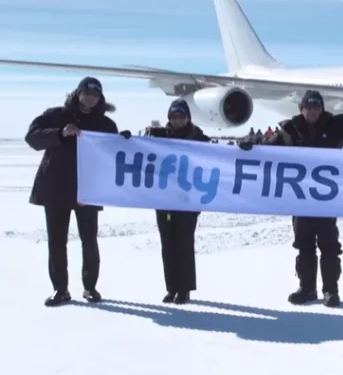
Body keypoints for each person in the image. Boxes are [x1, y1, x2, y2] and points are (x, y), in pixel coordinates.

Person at [240, 77, 343, 307]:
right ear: (301, 109)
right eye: (308, 107)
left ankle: (330, 291)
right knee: (304, 246)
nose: (312, 111)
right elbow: (267, 150)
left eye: (316, 107)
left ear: (321, 109)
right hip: (300, 200)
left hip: (326, 200)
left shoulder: (334, 128)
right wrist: (251, 146)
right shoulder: (289, 131)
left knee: (329, 246)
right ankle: (307, 289)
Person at [25, 76, 120, 306]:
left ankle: (90, 287)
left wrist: (124, 141)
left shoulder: (106, 125)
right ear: (78, 94)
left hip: (88, 190)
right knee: (57, 241)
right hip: (56, 187)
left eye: (95, 94)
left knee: (89, 240)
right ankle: (60, 289)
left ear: (100, 98)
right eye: (87, 93)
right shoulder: (55, 115)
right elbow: (32, 138)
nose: (91, 97)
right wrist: (59, 133)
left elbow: (114, 154)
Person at [139, 99, 211, 304]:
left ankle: (185, 288)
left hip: (188, 200)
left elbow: (216, 159)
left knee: (184, 244)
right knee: (168, 244)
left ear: (188, 117)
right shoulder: (159, 137)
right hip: (164, 199)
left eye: (181, 116)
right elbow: (139, 149)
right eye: (174, 117)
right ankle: (171, 287)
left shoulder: (199, 138)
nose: (178, 120)